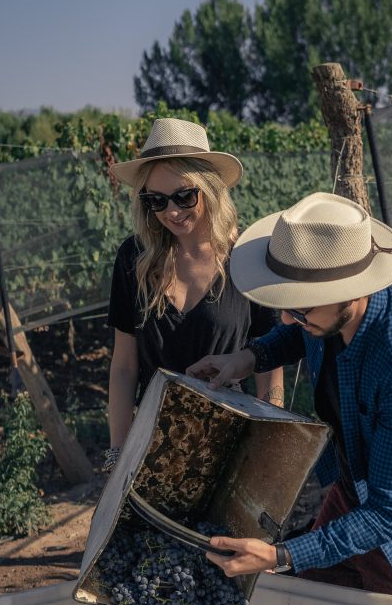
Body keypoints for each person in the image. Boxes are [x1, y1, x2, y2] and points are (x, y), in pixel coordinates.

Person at [187, 191, 392, 603]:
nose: (290, 319)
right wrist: (247, 357)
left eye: (301, 308)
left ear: (351, 291)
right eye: (285, 305)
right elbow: (295, 329)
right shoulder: (325, 311)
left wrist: (281, 555)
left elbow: (390, 512)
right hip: (354, 490)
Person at [102, 117, 284, 472]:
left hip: (230, 440)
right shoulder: (134, 259)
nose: (171, 211)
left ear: (210, 188)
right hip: (153, 443)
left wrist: (269, 444)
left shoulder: (245, 257)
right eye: (156, 200)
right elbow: (124, 366)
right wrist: (116, 454)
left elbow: (268, 362)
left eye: (184, 196)